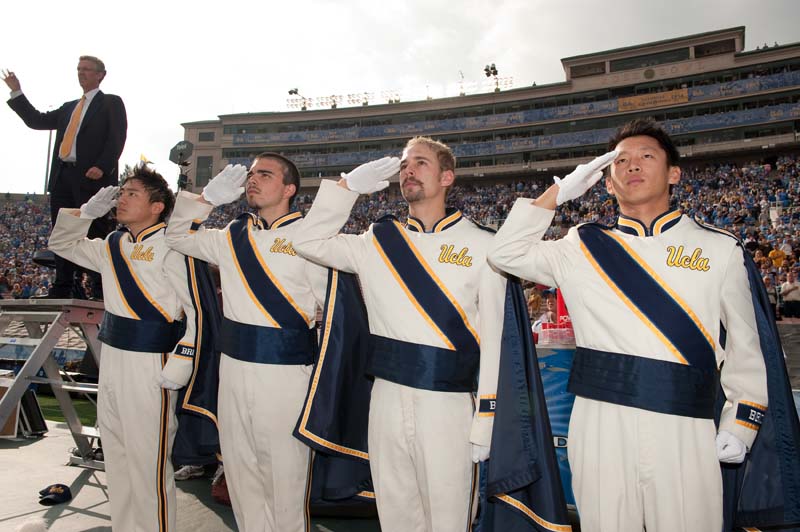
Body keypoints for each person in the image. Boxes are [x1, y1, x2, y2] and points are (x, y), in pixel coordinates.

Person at [488, 119, 770, 531]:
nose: (632, 166)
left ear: (674, 173)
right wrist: (559, 192)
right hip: (601, 425)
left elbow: (746, 345)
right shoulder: (581, 244)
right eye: (620, 161)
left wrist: (740, 425)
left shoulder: (720, 248)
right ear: (605, 182)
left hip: (684, 425)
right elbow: (505, 254)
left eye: (646, 157)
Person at [293, 137, 506, 532]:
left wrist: (487, 416)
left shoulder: (483, 245)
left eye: (420, 163)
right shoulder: (376, 239)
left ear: (446, 177)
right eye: (405, 165)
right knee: (396, 516)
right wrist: (346, 189)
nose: (408, 171)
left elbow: (495, 338)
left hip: (449, 403)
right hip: (386, 399)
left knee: (449, 518)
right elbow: (306, 242)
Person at [165, 153, 327, 532]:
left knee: (284, 479)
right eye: (251, 175)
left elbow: (334, 306)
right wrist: (205, 199)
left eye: (264, 175)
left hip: (286, 373)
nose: (252, 180)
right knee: (241, 475)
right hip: (233, 370)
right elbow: (176, 236)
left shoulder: (310, 236)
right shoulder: (231, 235)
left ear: (289, 189)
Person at [48, 166, 199, 531]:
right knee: (116, 455)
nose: (122, 199)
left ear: (157, 206)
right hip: (113, 357)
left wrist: (184, 358)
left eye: (132, 193)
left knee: (148, 461)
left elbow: (196, 309)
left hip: (152, 360)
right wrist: (84, 214)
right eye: (122, 193)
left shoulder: (173, 243)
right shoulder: (113, 244)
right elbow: (62, 245)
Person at [3, 57, 127, 298]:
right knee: (62, 232)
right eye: (78, 69)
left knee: (95, 231)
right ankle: (64, 286)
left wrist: (102, 166)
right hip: (63, 177)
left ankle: (100, 287)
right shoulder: (69, 107)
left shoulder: (111, 103)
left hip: (93, 178)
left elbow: (117, 136)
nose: (81, 74)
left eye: (86, 70)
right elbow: (36, 120)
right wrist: (16, 91)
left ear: (101, 75)